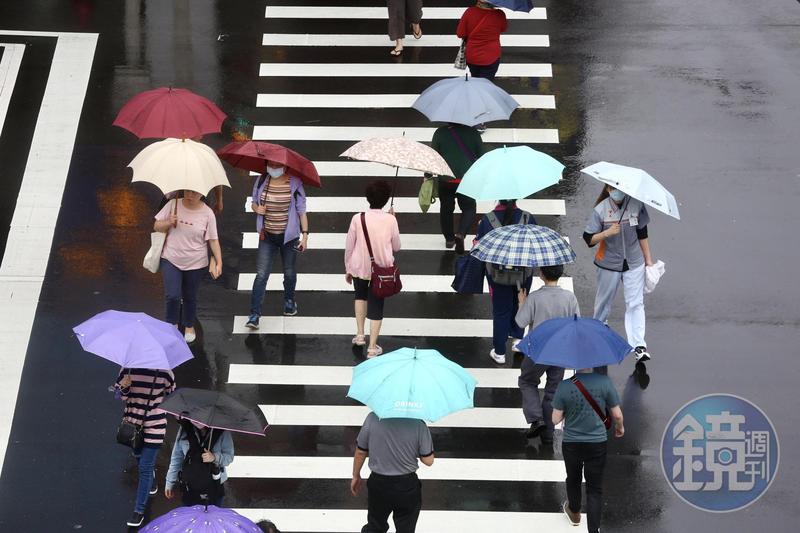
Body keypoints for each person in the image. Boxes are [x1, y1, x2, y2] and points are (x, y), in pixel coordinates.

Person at [583, 185, 654, 362]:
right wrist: (607, 233)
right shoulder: (600, 210)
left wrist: (648, 261)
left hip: (634, 262)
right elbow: (588, 239)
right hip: (608, 263)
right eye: (613, 188)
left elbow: (642, 233)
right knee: (603, 304)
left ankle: (639, 345)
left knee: (636, 303)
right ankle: (599, 336)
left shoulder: (636, 205)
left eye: (620, 188)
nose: (617, 192)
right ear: (607, 190)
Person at [552, 368, 624, 533]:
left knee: (573, 478)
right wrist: (620, 428)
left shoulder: (564, 386)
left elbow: (555, 419)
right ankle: (594, 530)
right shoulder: (604, 382)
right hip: (597, 443)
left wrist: (567, 412)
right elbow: (617, 415)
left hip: (572, 443)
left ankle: (574, 512)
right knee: (594, 489)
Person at [516, 264, 580, 444]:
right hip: (560, 350)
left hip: (538, 349)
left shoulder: (535, 297)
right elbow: (576, 323)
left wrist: (522, 303)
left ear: (541, 274)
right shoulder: (569, 298)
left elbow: (521, 323)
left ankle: (536, 419)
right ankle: (548, 434)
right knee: (553, 390)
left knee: (527, 381)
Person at [245, 161, 309, 329]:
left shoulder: (295, 183)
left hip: (289, 238)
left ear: (285, 166)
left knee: (289, 272)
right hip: (267, 236)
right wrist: (256, 209)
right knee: (261, 275)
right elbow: (253, 202)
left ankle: (289, 303)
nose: (273, 168)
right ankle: (254, 315)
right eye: (270, 165)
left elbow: (302, 210)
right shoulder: (261, 180)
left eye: (276, 165)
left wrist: (305, 236)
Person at [154, 190, 222, 343]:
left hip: (196, 263)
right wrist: (168, 222)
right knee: (172, 295)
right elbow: (156, 225)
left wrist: (219, 261)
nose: (190, 195)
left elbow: (213, 240)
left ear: (202, 194)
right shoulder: (173, 204)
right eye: (188, 191)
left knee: (190, 296)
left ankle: (189, 325)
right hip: (170, 259)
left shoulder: (207, 213)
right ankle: (172, 323)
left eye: (195, 193)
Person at [474, 200, 536, 364]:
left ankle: (500, 352)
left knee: (501, 312)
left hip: (497, 275)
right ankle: (518, 340)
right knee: (520, 304)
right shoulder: (527, 218)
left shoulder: (488, 220)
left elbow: (478, 246)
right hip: (523, 273)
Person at [351, 412, 434, 533]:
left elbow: (361, 451)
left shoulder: (372, 418)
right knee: (406, 527)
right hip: (407, 486)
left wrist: (356, 475)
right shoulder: (418, 423)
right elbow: (428, 460)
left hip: (378, 484)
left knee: (375, 525)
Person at [345, 181, 401, 358]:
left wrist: (348, 267)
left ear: (368, 198)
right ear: (385, 200)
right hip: (381, 270)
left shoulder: (357, 218)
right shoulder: (390, 220)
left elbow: (349, 245)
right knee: (377, 304)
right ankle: (372, 346)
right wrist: (394, 219)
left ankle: (360, 335)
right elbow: (397, 246)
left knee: (360, 297)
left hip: (359, 266)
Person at [115, 368, 176, 527]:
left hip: (155, 426)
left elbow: (172, 395)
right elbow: (120, 395)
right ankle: (152, 481)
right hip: (133, 426)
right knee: (138, 455)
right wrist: (124, 386)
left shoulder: (164, 372)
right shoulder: (127, 369)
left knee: (145, 467)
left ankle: (139, 511)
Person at [430, 123, 484, 253]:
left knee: (446, 209)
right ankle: (461, 233)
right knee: (469, 207)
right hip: (466, 179)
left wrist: (428, 174)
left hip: (445, 178)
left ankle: (449, 239)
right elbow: (481, 155)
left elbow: (433, 156)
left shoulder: (440, 133)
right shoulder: (473, 133)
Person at [165, 419, 234, 507]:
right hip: (190, 486)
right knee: (189, 518)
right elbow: (177, 458)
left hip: (214, 485)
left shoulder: (221, 430)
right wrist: (170, 482)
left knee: (212, 518)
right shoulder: (185, 428)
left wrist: (214, 457)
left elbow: (229, 456)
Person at [456, 1, 508, 81]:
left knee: (475, 82)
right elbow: (503, 28)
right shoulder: (500, 14)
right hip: (492, 56)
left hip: (473, 55)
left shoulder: (469, 12)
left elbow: (460, 34)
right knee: (486, 84)